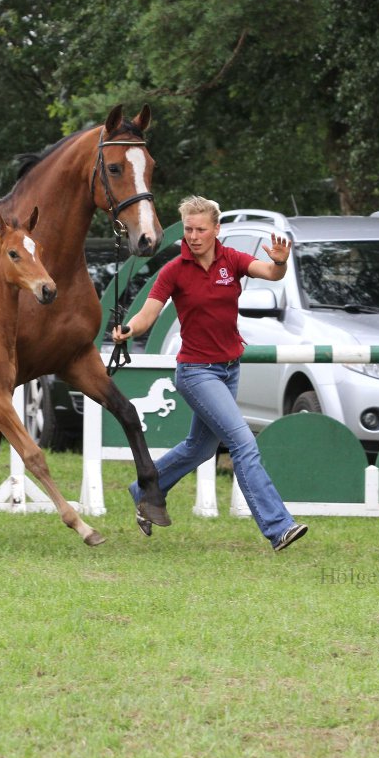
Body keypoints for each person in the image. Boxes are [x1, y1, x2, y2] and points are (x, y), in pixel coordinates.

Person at [111, 195, 308, 552]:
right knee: (243, 443)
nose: (194, 236)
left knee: (198, 448)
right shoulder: (174, 270)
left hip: (229, 370)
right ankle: (278, 527)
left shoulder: (231, 260)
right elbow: (149, 313)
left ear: (217, 230)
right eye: (188, 229)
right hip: (196, 372)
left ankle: (143, 490)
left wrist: (279, 264)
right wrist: (129, 329)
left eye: (201, 229)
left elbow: (270, 273)